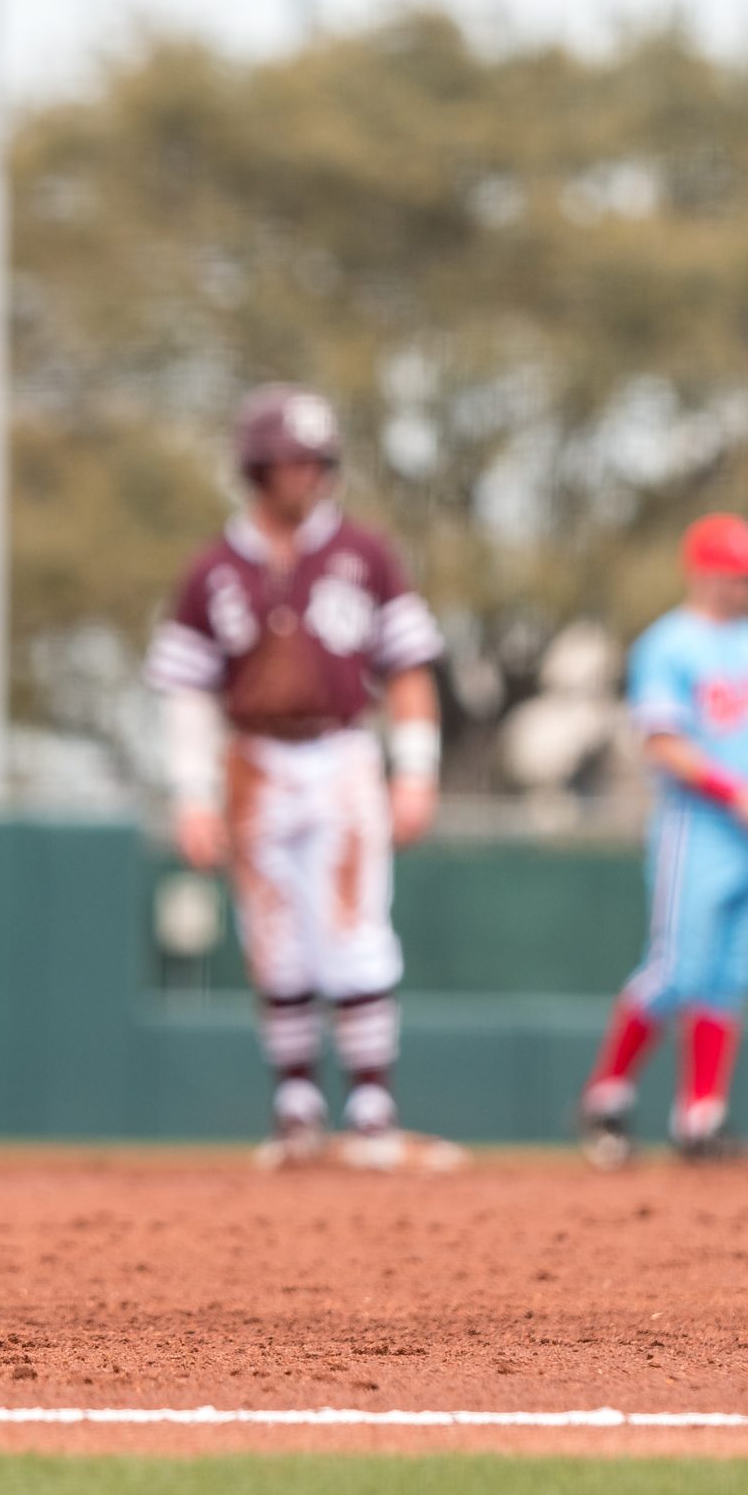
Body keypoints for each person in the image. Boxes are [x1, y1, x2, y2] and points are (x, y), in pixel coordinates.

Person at [145, 385, 453, 1171]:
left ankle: (373, 1110)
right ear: (257, 466)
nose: (309, 474)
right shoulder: (212, 570)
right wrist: (190, 792)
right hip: (252, 758)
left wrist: (415, 770)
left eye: (317, 460)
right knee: (275, 939)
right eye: (293, 460)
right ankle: (297, 1111)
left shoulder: (365, 552)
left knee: (353, 929)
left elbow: (410, 667)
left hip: (342, 749)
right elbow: (187, 692)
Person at [577, 513, 748, 1168]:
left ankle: (700, 1120)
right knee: (675, 967)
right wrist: (739, 794)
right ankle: (607, 1097)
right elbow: (662, 742)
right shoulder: (668, 643)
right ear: (705, 573)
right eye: (741, 573)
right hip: (698, 828)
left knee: (730, 975)